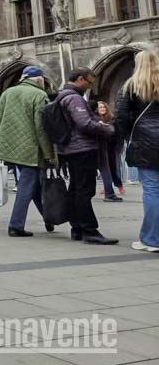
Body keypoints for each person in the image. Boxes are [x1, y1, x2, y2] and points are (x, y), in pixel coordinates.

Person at [56, 68, 118, 245]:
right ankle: (89, 230)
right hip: (82, 149)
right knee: (85, 190)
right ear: (80, 79)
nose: (90, 86)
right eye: (89, 82)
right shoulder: (74, 97)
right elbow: (84, 124)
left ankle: (77, 228)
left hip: (70, 148)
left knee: (75, 189)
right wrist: (105, 128)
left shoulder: (63, 95)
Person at [0, 66, 56, 237]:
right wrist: (49, 154)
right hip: (30, 150)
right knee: (26, 186)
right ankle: (16, 225)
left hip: (9, 148)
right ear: (39, 80)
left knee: (33, 186)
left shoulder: (8, 92)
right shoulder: (39, 95)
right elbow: (41, 127)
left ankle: (48, 218)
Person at [115, 49, 159, 252]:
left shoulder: (131, 86)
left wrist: (124, 138)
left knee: (151, 191)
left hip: (145, 143)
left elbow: (121, 117)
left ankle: (151, 239)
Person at [97, 101, 123, 202]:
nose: (102, 109)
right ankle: (108, 187)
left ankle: (119, 185)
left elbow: (114, 131)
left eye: (104, 107)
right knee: (105, 169)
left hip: (111, 146)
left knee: (112, 167)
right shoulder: (96, 119)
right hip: (101, 147)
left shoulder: (112, 118)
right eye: (100, 107)